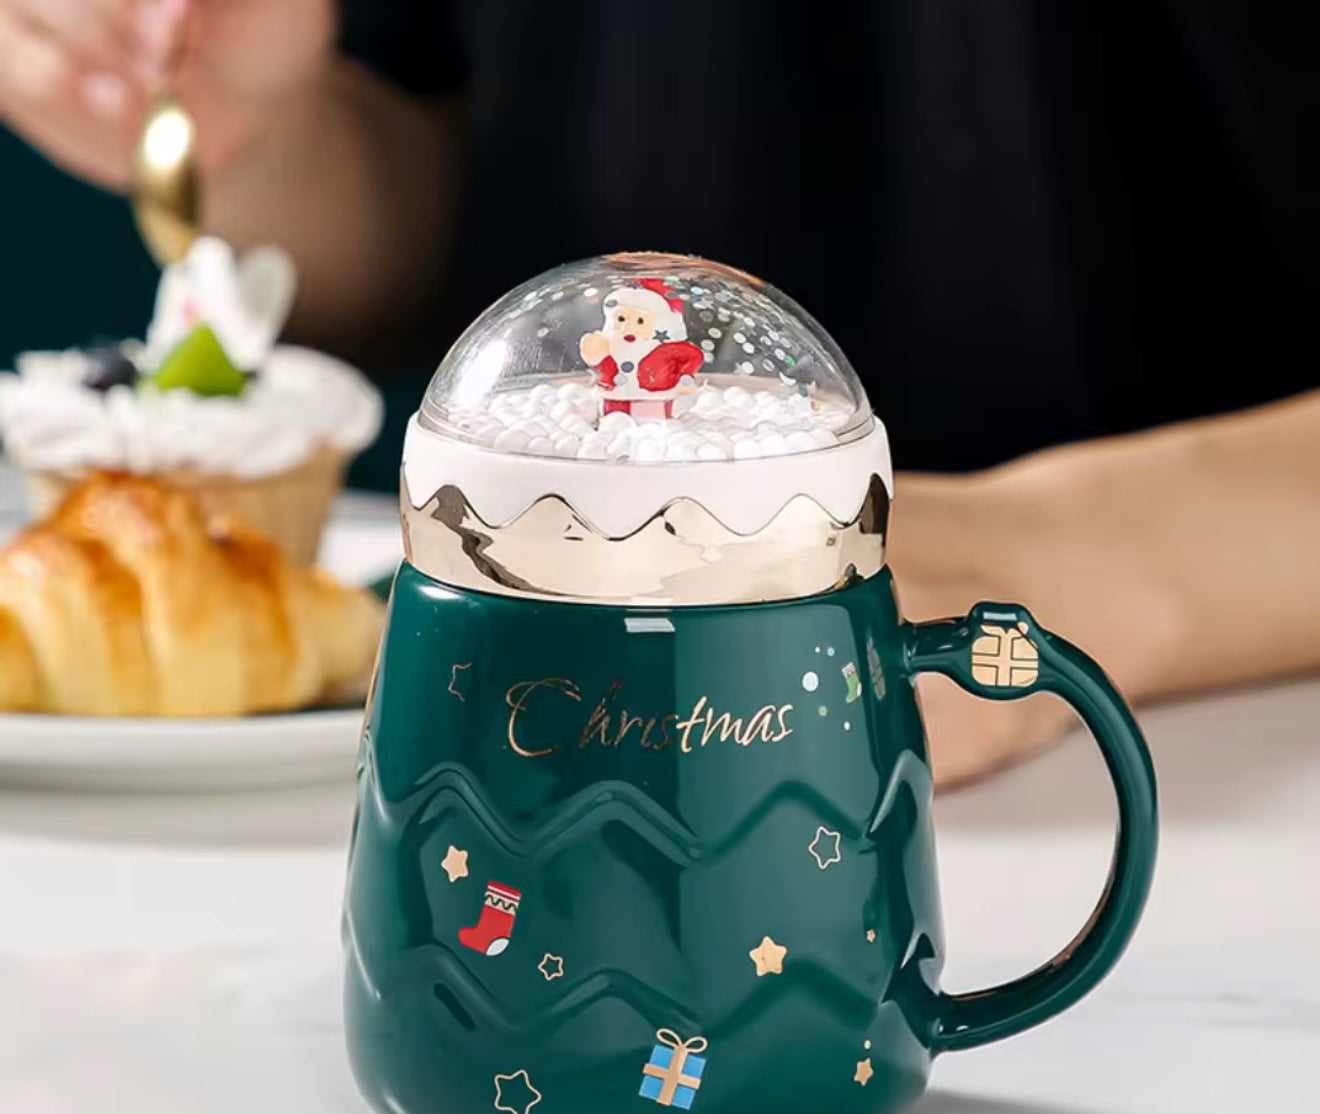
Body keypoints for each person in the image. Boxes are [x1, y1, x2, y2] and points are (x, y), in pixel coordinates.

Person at [2, 0, 1317, 786]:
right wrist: (248, 133)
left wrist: (1072, 562)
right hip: (555, 729)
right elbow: (440, 216)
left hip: (1200, 768)